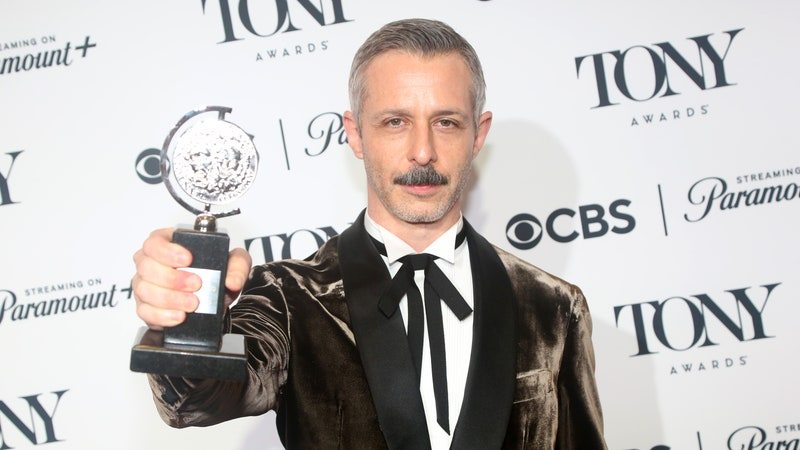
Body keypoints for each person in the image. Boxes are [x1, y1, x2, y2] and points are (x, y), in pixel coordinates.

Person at [132, 18, 607, 449]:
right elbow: (193, 400)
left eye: (446, 122)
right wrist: (184, 317)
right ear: (355, 134)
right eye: (395, 122)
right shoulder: (289, 297)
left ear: (478, 134)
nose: (423, 151)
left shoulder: (554, 306)